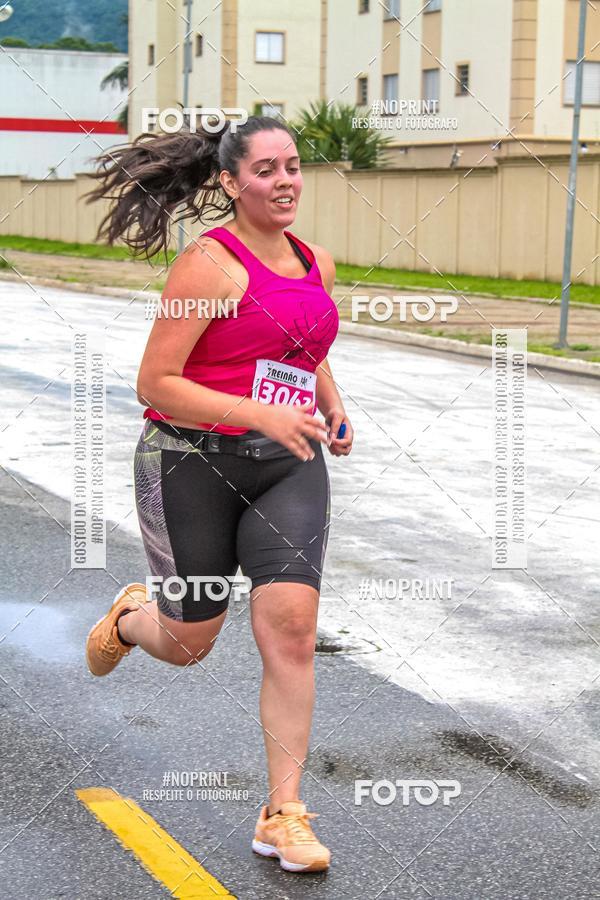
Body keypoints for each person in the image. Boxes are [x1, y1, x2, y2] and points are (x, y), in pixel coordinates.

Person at [84, 115, 353, 874]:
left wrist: (329, 404)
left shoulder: (315, 262)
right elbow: (156, 383)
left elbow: (302, 349)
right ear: (232, 183)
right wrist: (255, 410)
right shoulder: (208, 266)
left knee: (292, 628)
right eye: (266, 169)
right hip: (189, 462)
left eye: (293, 166)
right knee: (188, 643)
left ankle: (284, 814)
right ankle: (133, 619)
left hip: (287, 461)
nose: (285, 181)